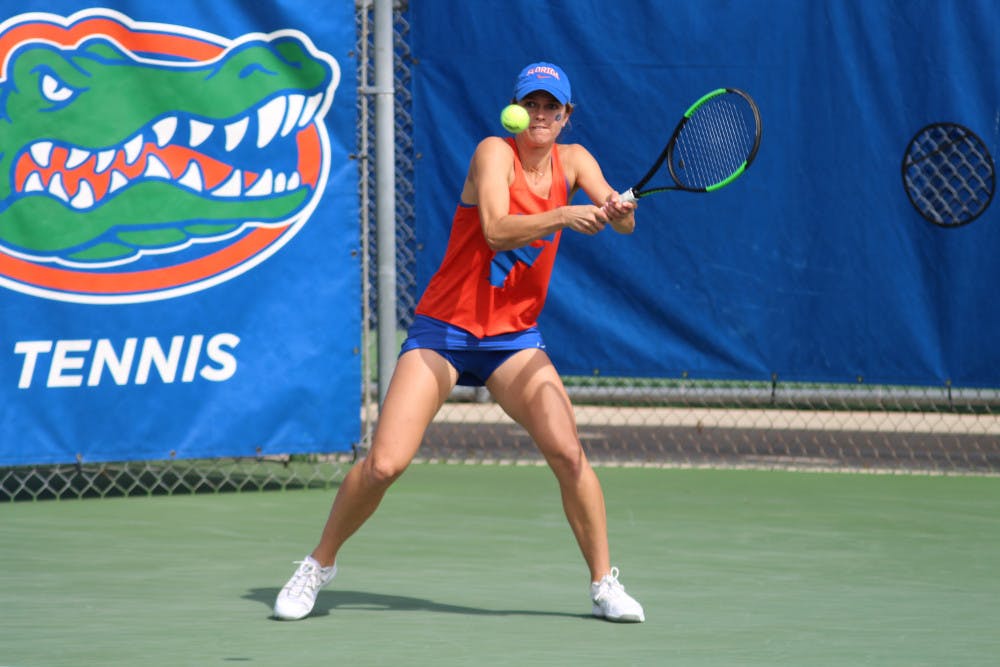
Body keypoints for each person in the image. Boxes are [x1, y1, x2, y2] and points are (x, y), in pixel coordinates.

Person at [274, 61, 645, 623]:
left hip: (513, 339)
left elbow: (623, 224)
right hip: (445, 330)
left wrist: (620, 210)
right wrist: (565, 215)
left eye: (551, 106)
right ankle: (317, 565)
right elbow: (495, 230)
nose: (540, 114)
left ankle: (604, 585)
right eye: (532, 103)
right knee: (384, 465)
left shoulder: (575, 162)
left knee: (569, 453)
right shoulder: (494, 152)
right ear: (516, 109)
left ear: (566, 115)